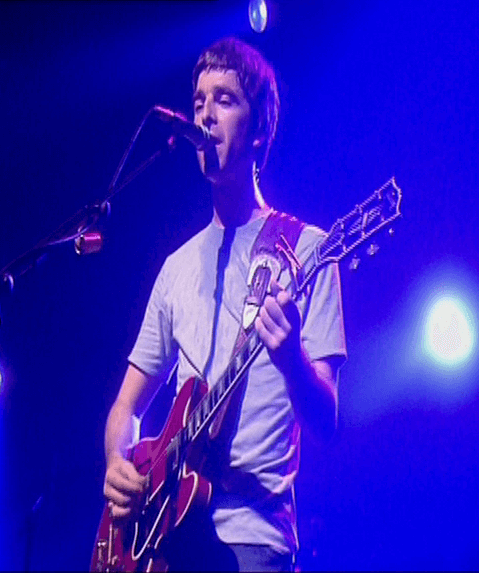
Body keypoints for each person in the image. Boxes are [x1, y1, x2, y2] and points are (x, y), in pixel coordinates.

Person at [102, 36, 347, 572]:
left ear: (260, 129)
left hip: (253, 540)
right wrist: (118, 460)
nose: (205, 116)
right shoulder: (176, 267)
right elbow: (127, 408)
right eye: (198, 102)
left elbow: (325, 419)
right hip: (168, 537)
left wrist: (289, 362)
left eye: (225, 100)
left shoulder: (306, 250)